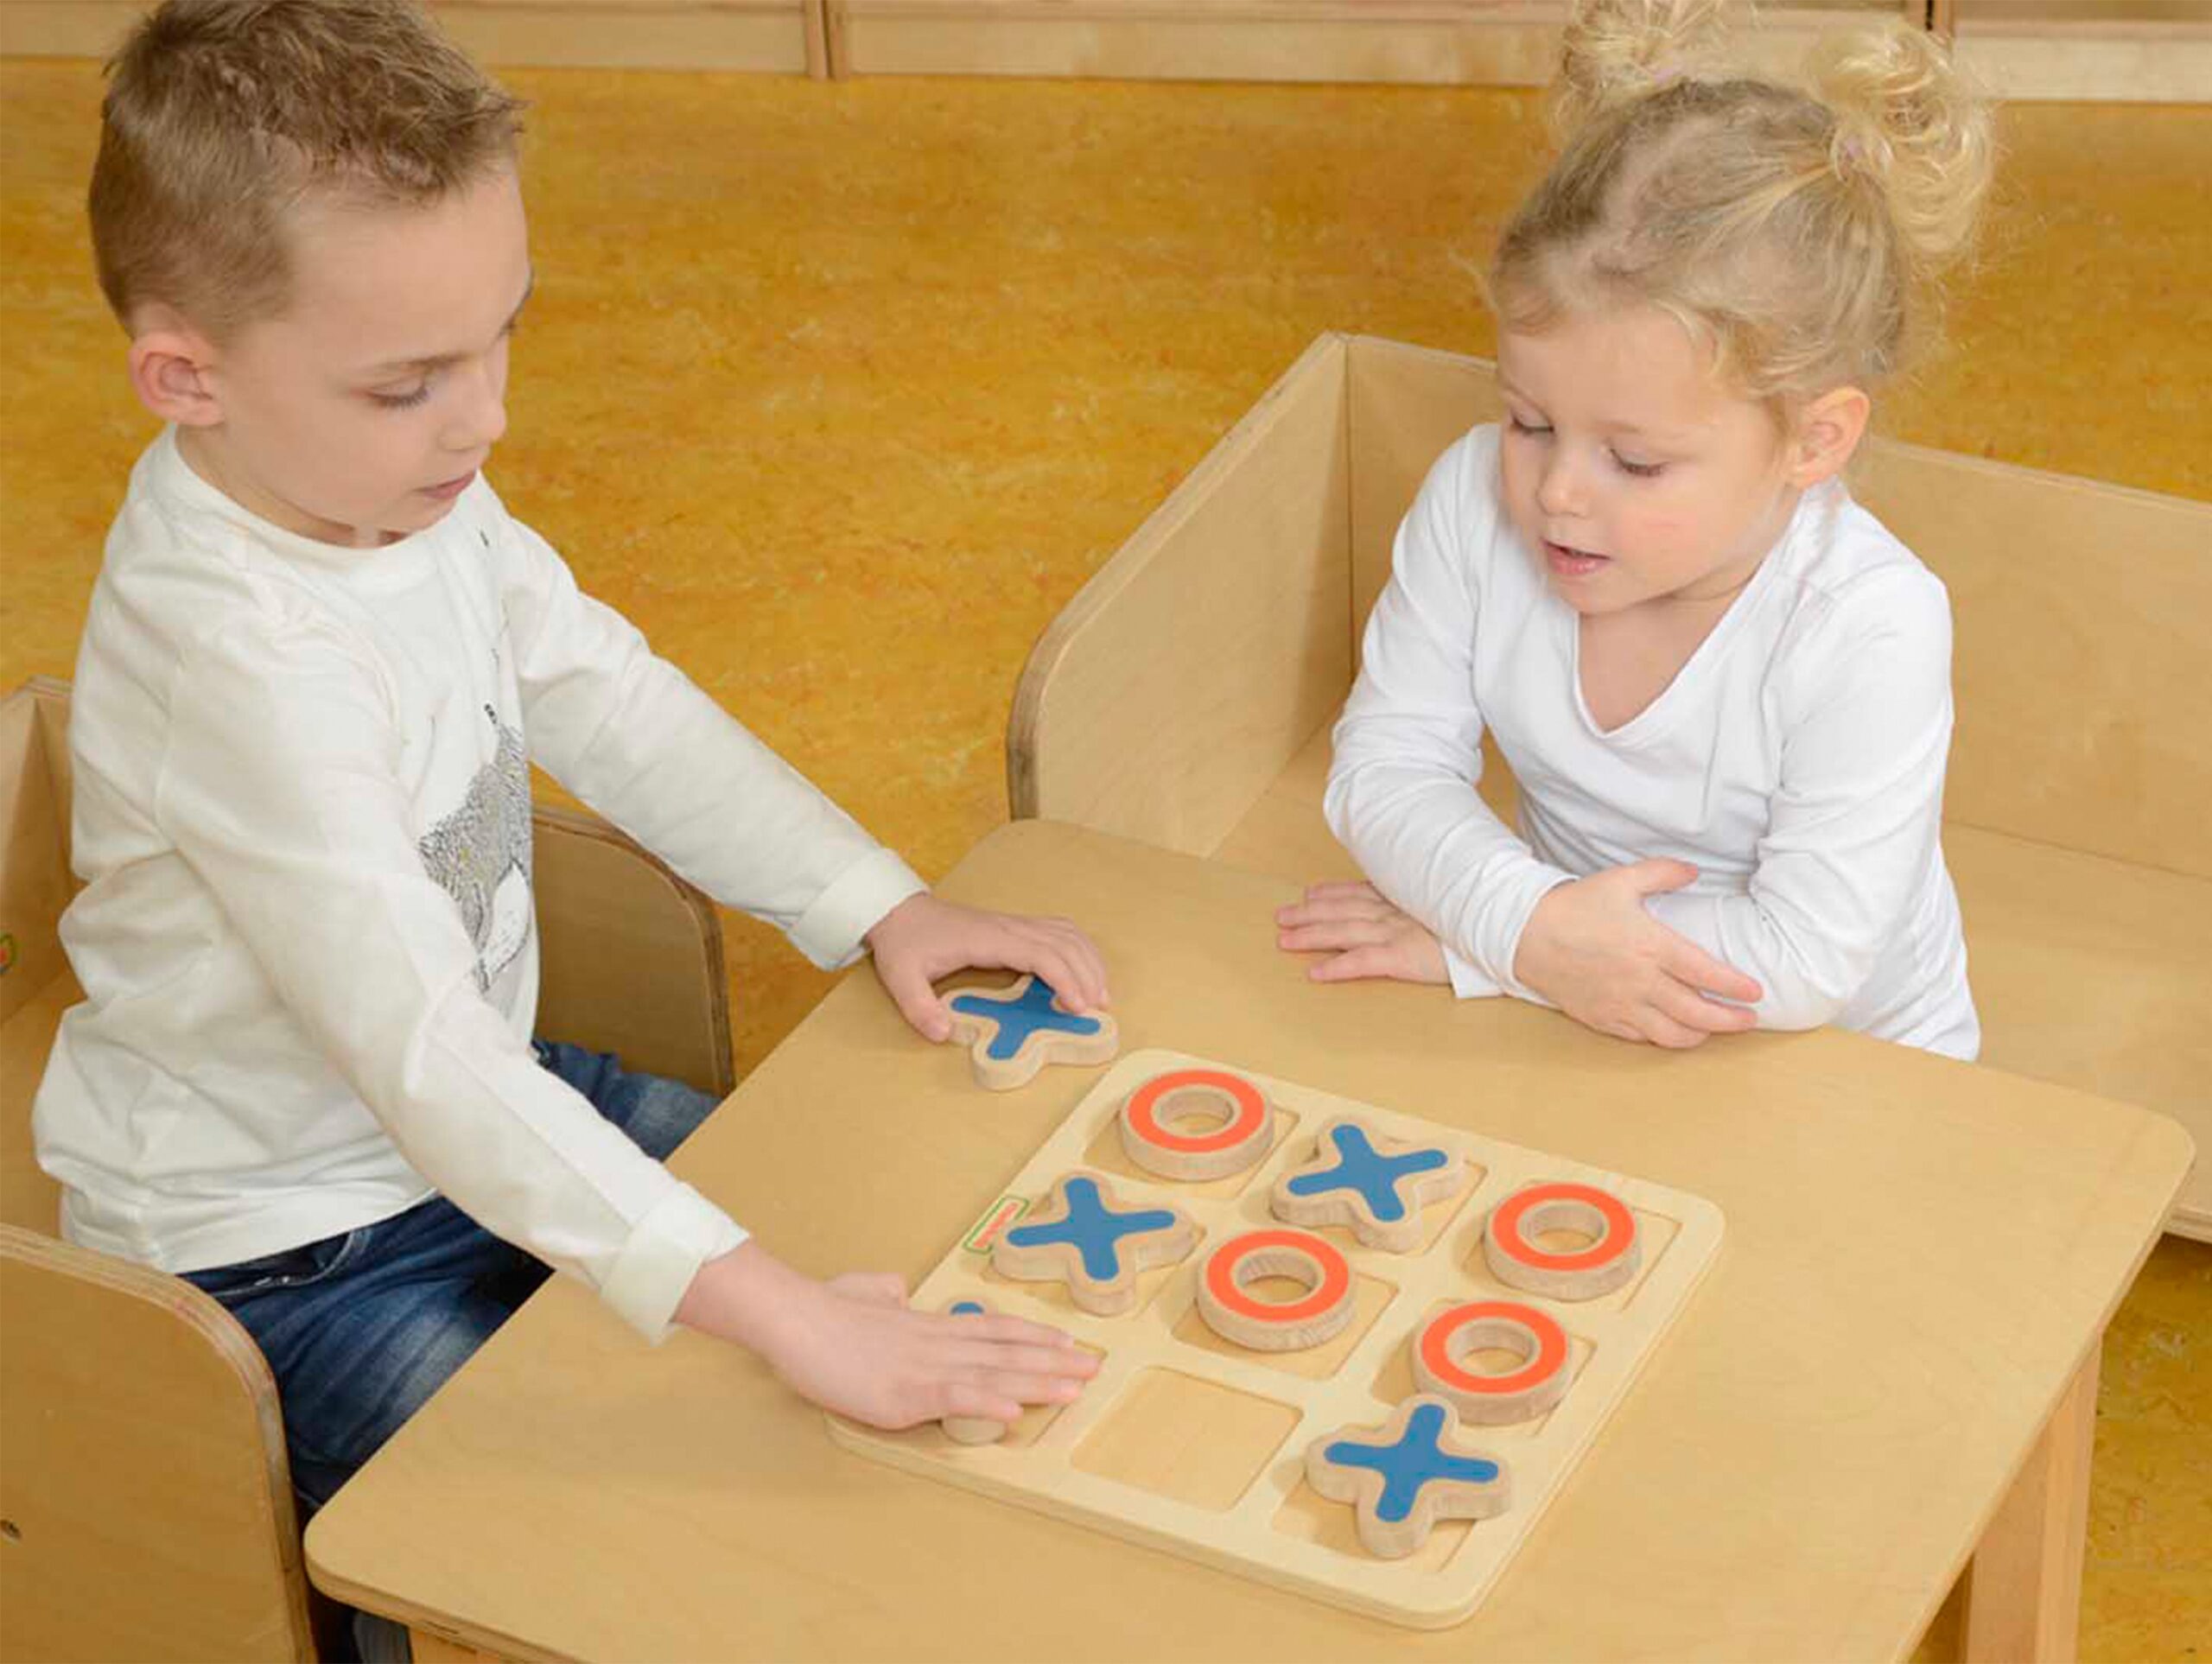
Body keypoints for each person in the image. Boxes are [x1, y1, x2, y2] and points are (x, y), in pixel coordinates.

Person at [35, 0, 1101, 1527]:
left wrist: (875, 899)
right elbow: (419, 1048)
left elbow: (615, 701)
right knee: (588, 1529)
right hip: (284, 1254)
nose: (486, 419)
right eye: (408, 383)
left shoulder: (389, 490)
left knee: (853, 1228)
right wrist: (787, 1319)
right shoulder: (240, 662)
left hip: (493, 1095)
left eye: (504, 337)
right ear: (187, 380)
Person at [1275, 0, 1992, 1060]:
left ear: (1813, 440)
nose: (1557, 492)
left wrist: (1497, 945)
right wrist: (1527, 933)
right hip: (1581, 1009)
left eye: (1636, 462)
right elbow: (1384, 766)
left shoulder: (1870, 621)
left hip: (1847, 1054)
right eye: (1529, 423)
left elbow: (1804, 955)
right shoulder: (1473, 498)